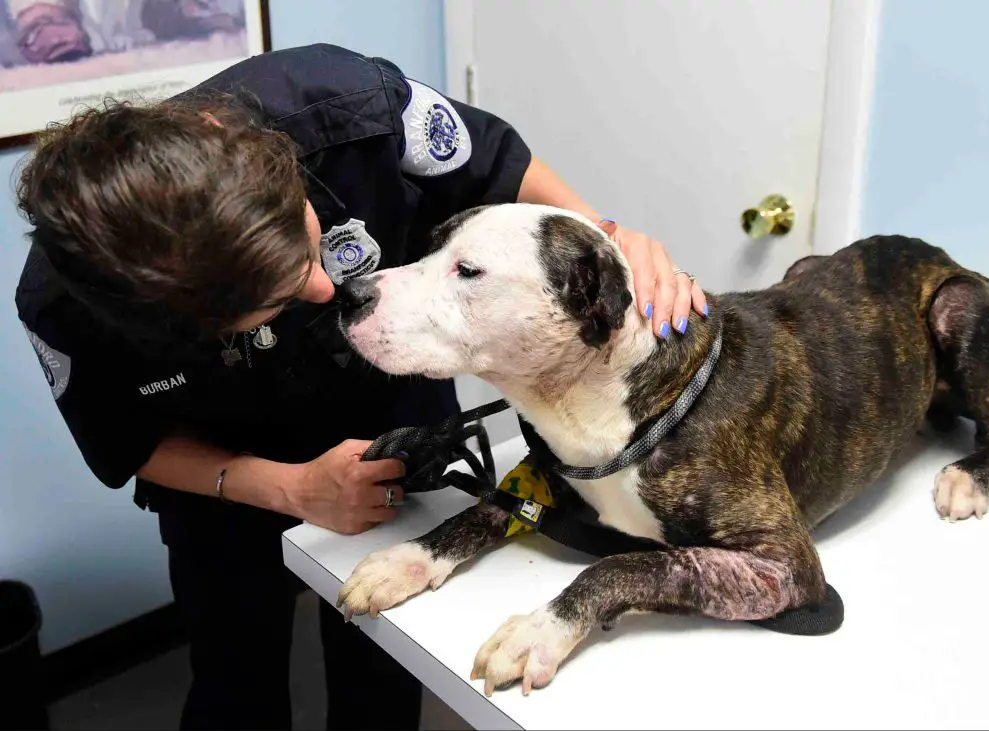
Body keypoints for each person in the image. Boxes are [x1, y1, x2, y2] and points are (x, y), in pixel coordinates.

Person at [13, 42, 708, 730]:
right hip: (222, 485)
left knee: (381, 664)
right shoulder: (64, 305)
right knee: (234, 679)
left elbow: (508, 170)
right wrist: (292, 489)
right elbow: (127, 439)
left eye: (311, 244)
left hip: (389, 424)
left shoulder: (349, 107)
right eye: (279, 296)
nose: (325, 288)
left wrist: (609, 239)